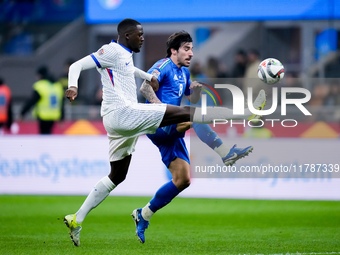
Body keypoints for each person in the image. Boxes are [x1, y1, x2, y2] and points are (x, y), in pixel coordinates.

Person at [63, 19, 266, 247]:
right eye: (139, 35)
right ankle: (245, 116)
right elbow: (78, 67)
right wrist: (74, 86)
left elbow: (134, 73)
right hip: (131, 115)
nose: (143, 38)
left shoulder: (133, 58)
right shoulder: (115, 51)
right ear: (127, 35)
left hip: (129, 121)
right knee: (190, 115)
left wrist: (151, 78)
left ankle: (81, 218)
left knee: (131, 176)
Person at [132, 31, 255, 243]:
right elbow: (144, 87)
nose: (191, 54)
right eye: (186, 49)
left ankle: (143, 215)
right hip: (157, 123)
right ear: (174, 51)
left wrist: (195, 92)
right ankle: (226, 151)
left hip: (172, 129)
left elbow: (189, 97)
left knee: (183, 180)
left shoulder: (184, 74)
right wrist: (161, 109)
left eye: (192, 49)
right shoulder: (163, 66)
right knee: (195, 114)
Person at [18, 66, 64, 134]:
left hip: (43, 116)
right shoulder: (57, 86)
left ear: (40, 75)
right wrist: (62, 118)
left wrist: (22, 113)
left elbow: (32, 101)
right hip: (54, 116)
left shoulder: (40, 86)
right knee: (48, 135)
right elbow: (61, 103)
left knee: (43, 137)